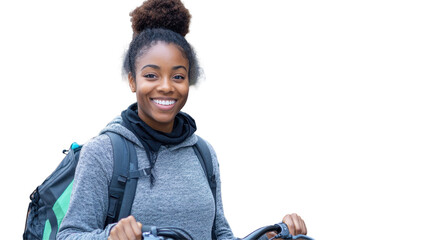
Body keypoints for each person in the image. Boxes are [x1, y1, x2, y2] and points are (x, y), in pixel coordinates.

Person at [57, 0, 308, 239]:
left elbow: (219, 235)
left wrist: (269, 237)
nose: (166, 87)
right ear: (133, 80)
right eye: (151, 75)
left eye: (178, 77)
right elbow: (68, 235)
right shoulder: (104, 152)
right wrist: (110, 237)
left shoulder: (203, 153)